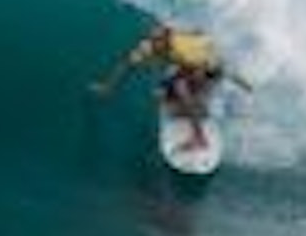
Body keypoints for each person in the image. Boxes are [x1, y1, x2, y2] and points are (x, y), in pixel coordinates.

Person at [92, 23, 252, 151]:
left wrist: (241, 82)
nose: (156, 46)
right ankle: (193, 106)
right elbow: (126, 65)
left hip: (209, 63)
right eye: (153, 41)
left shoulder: (186, 50)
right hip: (193, 54)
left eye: (159, 42)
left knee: (182, 88)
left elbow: (218, 69)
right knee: (163, 94)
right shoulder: (148, 47)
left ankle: (199, 138)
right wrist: (108, 86)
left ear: (168, 41)